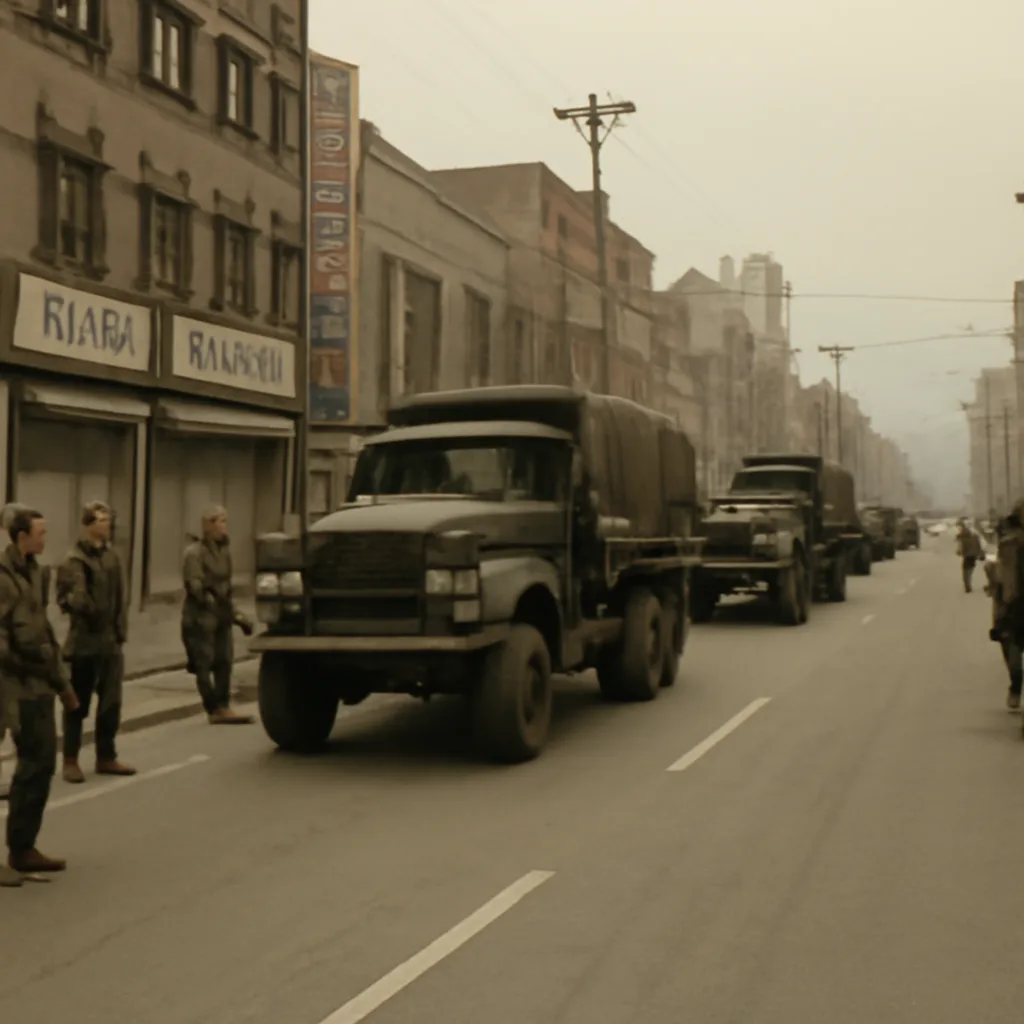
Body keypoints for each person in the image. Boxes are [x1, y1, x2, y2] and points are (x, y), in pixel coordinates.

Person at [0, 507, 78, 883]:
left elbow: (43, 629)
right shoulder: (1, 578)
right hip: (8, 683)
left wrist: (62, 683)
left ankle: (22, 847)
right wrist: (24, 661)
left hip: (37, 684)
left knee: (42, 759)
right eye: (40, 533)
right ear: (20, 536)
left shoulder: (36, 573)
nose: (46, 539)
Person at [56, 501, 134, 783]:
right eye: (100, 520)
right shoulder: (75, 559)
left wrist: (120, 631)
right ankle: (70, 759)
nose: (106, 525)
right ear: (88, 524)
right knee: (77, 703)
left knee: (111, 703)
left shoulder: (112, 557)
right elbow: (73, 600)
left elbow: (120, 598)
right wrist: (86, 606)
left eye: (107, 520)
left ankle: (106, 756)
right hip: (84, 642)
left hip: (111, 641)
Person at [181, 506, 254, 725]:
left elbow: (227, 587)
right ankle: (213, 707)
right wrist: (209, 599)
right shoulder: (194, 553)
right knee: (204, 662)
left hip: (221, 614)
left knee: (225, 660)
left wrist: (236, 615)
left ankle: (224, 705)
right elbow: (195, 585)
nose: (224, 526)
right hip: (200, 617)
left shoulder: (225, 552)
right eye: (219, 521)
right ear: (209, 526)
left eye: (225, 520)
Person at [956, 517, 984, 592]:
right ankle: (968, 583)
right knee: (969, 569)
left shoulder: (963, 536)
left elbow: (961, 546)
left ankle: (967, 584)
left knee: (966, 570)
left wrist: (959, 551)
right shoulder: (975, 535)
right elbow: (979, 545)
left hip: (968, 555)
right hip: (973, 555)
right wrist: (981, 554)